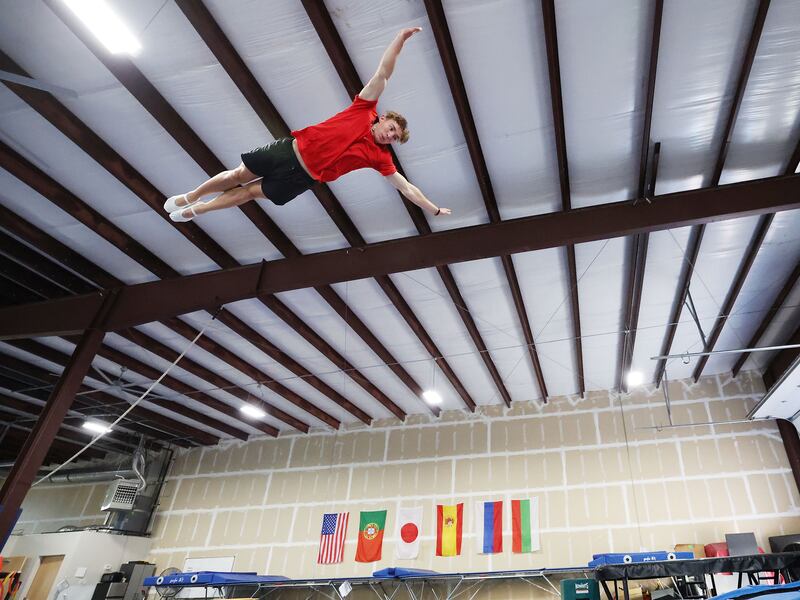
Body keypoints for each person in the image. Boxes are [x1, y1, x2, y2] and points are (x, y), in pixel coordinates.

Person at [164, 27, 452, 221]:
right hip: (289, 150)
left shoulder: (381, 159)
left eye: (395, 138)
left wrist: (434, 209)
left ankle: (198, 210)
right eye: (392, 129)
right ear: (384, 118)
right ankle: (191, 195)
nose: (391, 136)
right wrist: (400, 40)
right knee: (238, 175)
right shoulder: (364, 108)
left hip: (303, 178)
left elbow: (406, 188)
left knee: (250, 193)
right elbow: (383, 73)